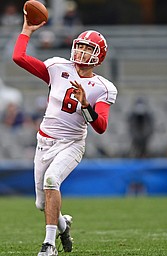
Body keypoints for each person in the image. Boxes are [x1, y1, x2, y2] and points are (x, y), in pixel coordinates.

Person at [12, 13, 117, 256]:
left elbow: (101, 126)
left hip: (71, 143)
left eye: (87, 48)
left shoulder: (103, 87)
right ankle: (63, 224)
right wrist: (26, 30)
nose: (80, 52)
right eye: (79, 46)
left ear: (98, 56)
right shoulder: (57, 67)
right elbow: (18, 57)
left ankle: (49, 245)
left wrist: (86, 105)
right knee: (41, 203)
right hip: (44, 141)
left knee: (52, 181)